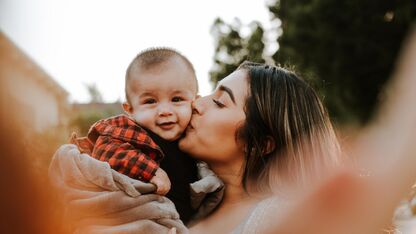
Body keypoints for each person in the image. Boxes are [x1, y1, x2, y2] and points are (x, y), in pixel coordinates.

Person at [178, 61, 341, 233]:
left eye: (219, 102)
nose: (196, 103)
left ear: (260, 144)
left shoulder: (283, 221)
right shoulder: (180, 198)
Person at [71, 47, 200, 224]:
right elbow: (106, 149)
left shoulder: (195, 137)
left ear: (195, 102)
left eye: (177, 99)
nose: (164, 111)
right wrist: (149, 171)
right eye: (150, 101)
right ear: (130, 110)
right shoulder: (131, 130)